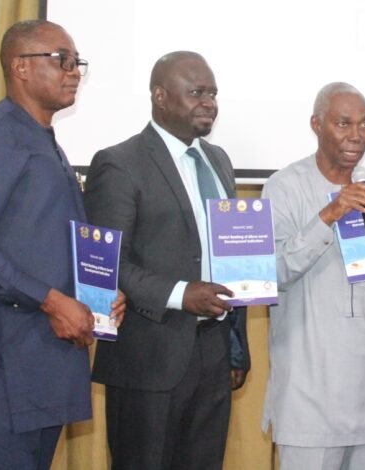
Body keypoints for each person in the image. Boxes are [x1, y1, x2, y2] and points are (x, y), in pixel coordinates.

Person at [0, 20, 125, 469]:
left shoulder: (44, 141)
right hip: (5, 369)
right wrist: (50, 301)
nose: (73, 71)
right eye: (61, 60)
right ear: (20, 68)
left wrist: (98, 294)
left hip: (42, 368)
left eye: (76, 63)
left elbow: (40, 239)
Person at [83, 51, 250, 470]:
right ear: (160, 96)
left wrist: (235, 347)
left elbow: (228, 254)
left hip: (213, 349)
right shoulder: (119, 163)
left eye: (212, 93)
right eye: (196, 92)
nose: (208, 102)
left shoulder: (219, 160)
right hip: (149, 355)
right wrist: (180, 294)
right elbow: (107, 264)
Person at [260, 82, 365, 470]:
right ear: (316, 125)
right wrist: (329, 216)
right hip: (309, 391)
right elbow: (273, 272)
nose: (356, 135)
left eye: (364, 124)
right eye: (344, 123)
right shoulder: (284, 187)